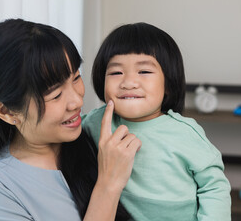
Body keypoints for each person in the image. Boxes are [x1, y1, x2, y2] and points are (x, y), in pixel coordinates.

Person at [0, 19, 142, 221]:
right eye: (55, 95)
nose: (76, 101)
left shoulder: (97, 137)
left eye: (76, 78)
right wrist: (108, 185)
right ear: (6, 111)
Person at [82, 22, 231, 221]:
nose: (128, 83)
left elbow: (214, 186)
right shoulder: (95, 122)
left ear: (168, 84)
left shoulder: (185, 132)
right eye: (116, 72)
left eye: (144, 72)